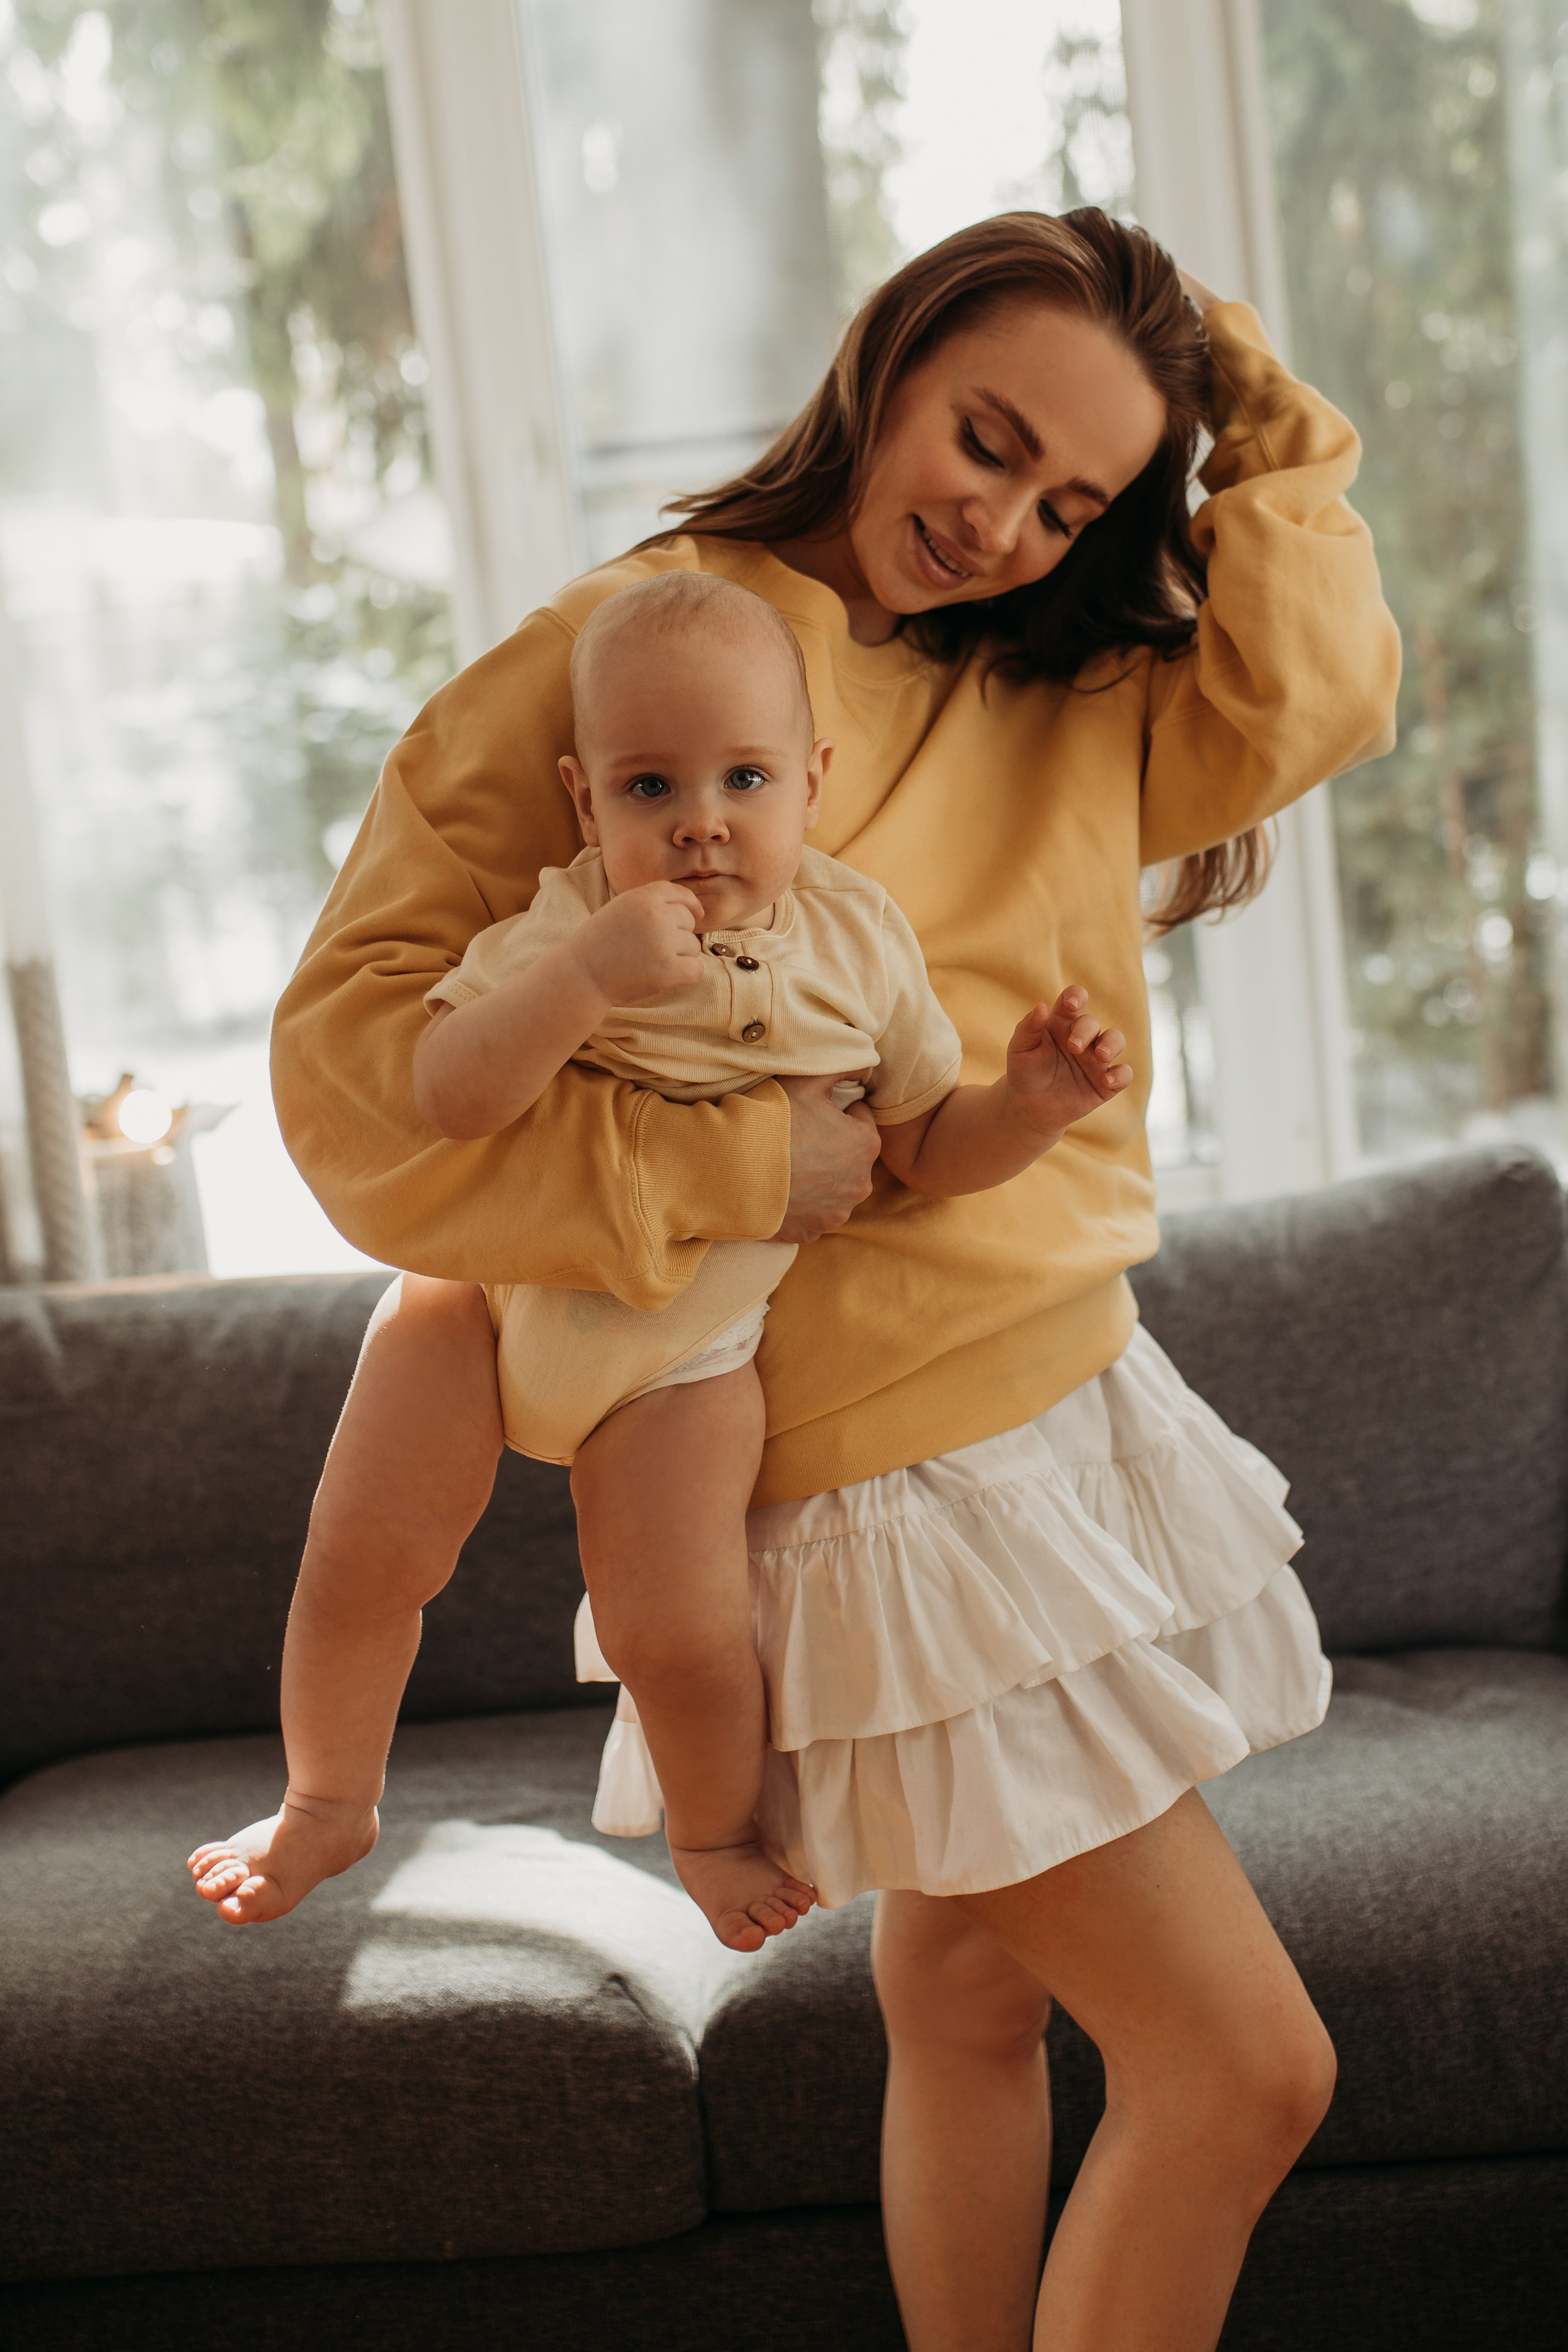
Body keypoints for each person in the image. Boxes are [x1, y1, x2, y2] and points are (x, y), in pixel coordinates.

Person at [197, 207, 1400, 2350]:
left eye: (1075, 497)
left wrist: (1275, 444)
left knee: (965, 2005)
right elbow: (356, 1083)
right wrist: (742, 1160)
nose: (1004, 520)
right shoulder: (644, 658)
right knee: (1247, 2071)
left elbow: (1309, 704)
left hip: (1060, 1397)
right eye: (986, 435)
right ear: (886, 362)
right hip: (873, 1472)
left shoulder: (1062, 670)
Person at [191, 567, 1134, 1953]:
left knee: (679, 1633)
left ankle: (710, 1832)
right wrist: (580, 980)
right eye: (648, 791)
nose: (699, 824)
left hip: (679, 1359)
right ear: (585, 803)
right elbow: (447, 1092)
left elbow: (920, 1145)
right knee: (358, 1559)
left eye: (743, 778)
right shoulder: (566, 919)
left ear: (808, 783)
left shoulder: (856, 941)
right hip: (481, 1306)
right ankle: (326, 1797)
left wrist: (1031, 1106)